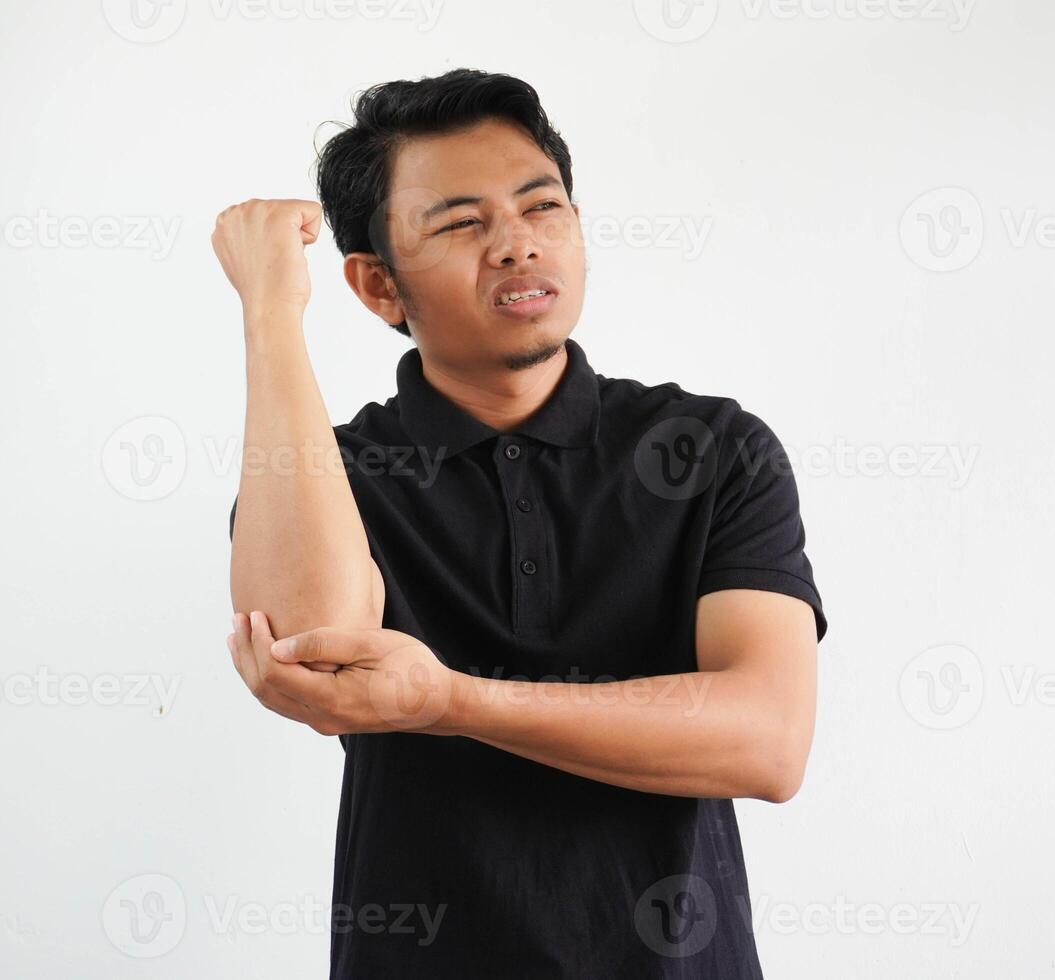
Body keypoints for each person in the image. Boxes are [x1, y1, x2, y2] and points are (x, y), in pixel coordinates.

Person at [214, 68, 827, 980]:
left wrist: (450, 701)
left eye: (543, 208)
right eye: (461, 223)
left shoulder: (711, 450)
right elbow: (315, 654)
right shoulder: (331, 476)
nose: (515, 245)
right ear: (379, 286)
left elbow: (768, 740)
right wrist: (270, 311)